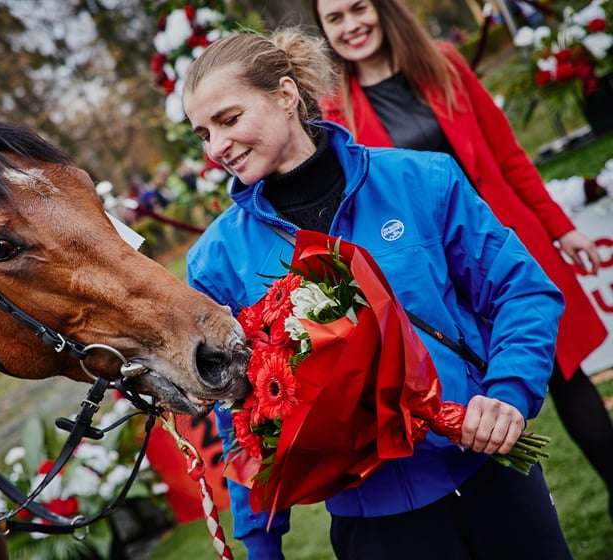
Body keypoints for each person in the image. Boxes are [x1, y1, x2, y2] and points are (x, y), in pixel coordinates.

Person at [181, 27, 574, 559]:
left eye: (228, 120)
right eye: (203, 134)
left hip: (490, 472)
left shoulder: (420, 179)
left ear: (286, 95)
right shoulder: (216, 260)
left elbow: (521, 291)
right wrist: (261, 542)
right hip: (373, 524)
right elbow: (241, 413)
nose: (216, 148)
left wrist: (509, 391)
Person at [313, 0, 613, 520]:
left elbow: (509, 156)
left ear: (383, 9)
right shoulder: (335, 109)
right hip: (431, 277)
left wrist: (560, 228)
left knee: (566, 375)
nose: (351, 25)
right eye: (334, 18)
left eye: (358, 8)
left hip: (499, 250)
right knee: (465, 405)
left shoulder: (444, 64)